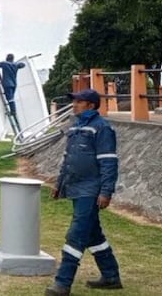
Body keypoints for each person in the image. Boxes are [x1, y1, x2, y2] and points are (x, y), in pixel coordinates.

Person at [46, 88, 122, 296]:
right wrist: (59, 184)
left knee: (77, 234)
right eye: (75, 101)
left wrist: (106, 191)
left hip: (90, 190)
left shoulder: (102, 128)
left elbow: (108, 162)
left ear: (90, 105)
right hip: (75, 187)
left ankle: (62, 284)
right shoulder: (75, 128)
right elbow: (68, 159)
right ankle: (111, 276)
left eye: (79, 102)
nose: (74, 105)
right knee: (92, 234)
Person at [0, 54, 25, 119]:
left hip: (7, 84)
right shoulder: (15, 65)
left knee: (10, 99)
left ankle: (13, 111)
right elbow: (23, 65)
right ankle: (13, 111)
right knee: (11, 98)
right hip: (14, 84)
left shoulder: (5, 64)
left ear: (7, 58)